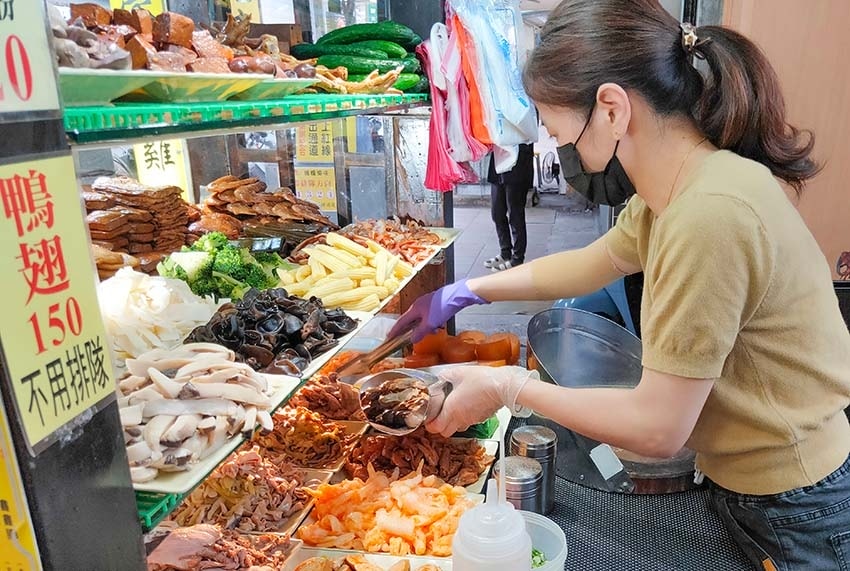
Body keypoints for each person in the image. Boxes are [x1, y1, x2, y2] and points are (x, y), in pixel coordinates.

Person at [388, 1, 850, 569]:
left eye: (563, 132)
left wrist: (509, 389)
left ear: (611, 109)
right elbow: (591, 263)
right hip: (755, 485)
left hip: (795, 505)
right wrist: (464, 291)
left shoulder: (706, 215)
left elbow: (657, 429)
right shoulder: (681, 185)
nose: (567, 153)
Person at [484, 143, 535, 271]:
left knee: (515, 215)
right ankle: (505, 252)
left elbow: (528, 133)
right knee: (497, 213)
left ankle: (518, 258)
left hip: (517, 163)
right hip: (499, 161)